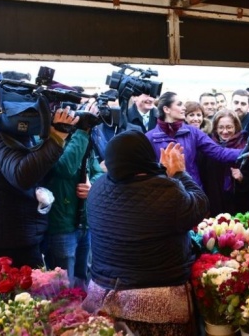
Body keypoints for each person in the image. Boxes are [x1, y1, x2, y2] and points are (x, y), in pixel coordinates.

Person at [83, 134, 207, 335]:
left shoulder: (97, 188)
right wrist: (179, 173)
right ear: (146, 156)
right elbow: (199, 206)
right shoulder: (167, 190)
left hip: (103, 297)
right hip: (157, 302)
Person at [0, 106, 79, 268]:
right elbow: (21, 175)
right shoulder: (1, 131)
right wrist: (57, 136)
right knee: (25, 291)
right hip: (9, 236)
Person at [43, 102, 104, 289]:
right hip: (61, 225)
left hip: (84, 223)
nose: (72, 118)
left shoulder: (82, 140)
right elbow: (66, 167)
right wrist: (82, 132)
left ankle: (83, 318)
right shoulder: (47, 141)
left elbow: (98, 171)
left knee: (82, 281)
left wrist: (91, 185)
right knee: (64, 287)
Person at [145, 92, 242, 187]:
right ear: (166, 109)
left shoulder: (193, 132)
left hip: (192, 193)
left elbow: (219, 152)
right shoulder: (149, 137)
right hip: (164, 194)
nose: (184, 108)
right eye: (179, 104)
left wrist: (246, 152)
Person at [199, 110, 249, 215]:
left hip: (239, 205)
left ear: (236, 127)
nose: (225, 131)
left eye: (229, 127)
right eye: (221, 127)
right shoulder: (208, 146)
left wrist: (242, 177)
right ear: (215, 128)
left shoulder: (245, 145)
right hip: (214, 203)